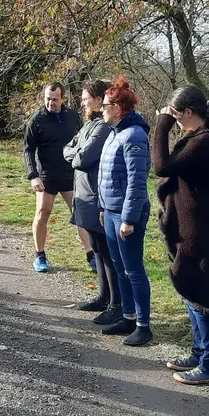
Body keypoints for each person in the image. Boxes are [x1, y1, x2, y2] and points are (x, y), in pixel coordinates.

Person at [155, 86, 209, 385]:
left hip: (202, 228)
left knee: (204, 295)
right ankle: (200, 352)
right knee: (191, 288)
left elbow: (161, 166)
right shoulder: (197, 137)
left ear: (188, 112)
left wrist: (161, 125)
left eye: (176, 114)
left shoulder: (207, 141)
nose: (174, 119)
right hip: (190, 227)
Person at [96, 76, 153, 347]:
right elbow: (106, 174)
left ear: (118, 108)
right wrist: (102, 207)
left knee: (134, 270)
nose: (101, 110)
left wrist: (128, 219)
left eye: (105, 106)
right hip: (110, 211)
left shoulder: (134, 136)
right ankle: (128, 317)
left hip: (126, 215)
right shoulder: (114, 133)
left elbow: (136, 182)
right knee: (120, 268)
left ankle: (143, 325)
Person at [63, 80, 122, 325]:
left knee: (107, 252)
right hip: (85, 195)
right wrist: (74, 153)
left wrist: (74, 154)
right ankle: (103, 297)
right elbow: (68, 148)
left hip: (96, 197)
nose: (83, 102)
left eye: (86, 98)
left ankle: (115, 304)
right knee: (97, 248)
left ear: (99, 100)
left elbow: (83, 158)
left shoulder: (102, 127)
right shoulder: (89, 124)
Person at [23, 82, 89, 273]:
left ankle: (91, 254)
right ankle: (40, 256)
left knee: (81, 215)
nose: (51, 103)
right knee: (43, 212)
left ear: (63, 99)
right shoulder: (37, 119)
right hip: (47, 176)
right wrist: (33, 176)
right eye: (47, 99)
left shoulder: (73, 117)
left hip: (70, 175)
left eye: (54, 99)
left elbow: (83, 142)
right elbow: (28, 149)